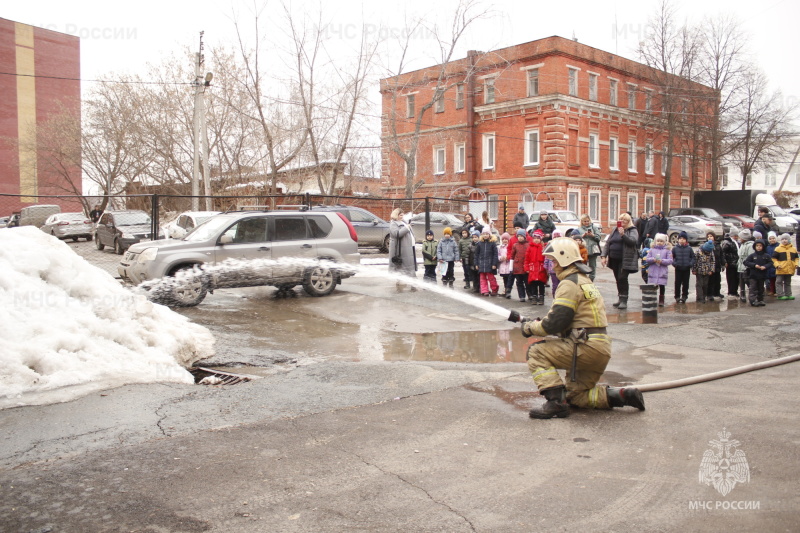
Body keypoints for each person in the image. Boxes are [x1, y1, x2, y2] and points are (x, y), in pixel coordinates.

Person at [519, 237, 645, 419]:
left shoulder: (569, 284)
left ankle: (555, 403)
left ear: (564, 259)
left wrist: (530, 328)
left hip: (584, 348)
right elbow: (569, 319)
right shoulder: (584, 281)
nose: (552, 266)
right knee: (576, 396)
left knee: (535, 352)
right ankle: (621, 396)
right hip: (599, 348)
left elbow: (555, 323)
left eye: (554, 261)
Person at [600, 212, 639, 310]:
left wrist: (623, 235)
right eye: (621, 219)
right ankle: (620, 298)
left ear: (629, 221)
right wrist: (603, 256)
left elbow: (633, 242)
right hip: (614, 258)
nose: (622, 222)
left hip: (625, 259)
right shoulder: (614, 230)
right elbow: (608, 243)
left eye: (625, 220)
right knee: (618, 279)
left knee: (622, 278)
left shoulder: (632, 230)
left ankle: (624, 300)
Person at [388, 208, 417, 286]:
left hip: (409, 246)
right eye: (400, 215)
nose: (402, 216)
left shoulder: (403, 222)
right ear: (396, 215)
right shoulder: (393, 223)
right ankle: (402, 281)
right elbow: (396, 234)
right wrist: (407, 228)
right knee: (403, 265)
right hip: (402, 249)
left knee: (409, 264)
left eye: (402, 215)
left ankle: (410, 281)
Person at [644, 233, 673, 306]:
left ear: (664, 242)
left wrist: (662, 261)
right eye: (658, 241)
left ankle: (661, 300)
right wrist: (653, 260)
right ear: (655, 241)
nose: (659, 242)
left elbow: (670, 260)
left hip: (662, 271)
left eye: (661, 241)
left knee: (662, 286)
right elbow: (647, 259)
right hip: (653, 271)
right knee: (652, 286)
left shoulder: (667, 250)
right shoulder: (652, 250)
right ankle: (652, 299)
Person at [743, 239, 771, 306]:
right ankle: (753, 300)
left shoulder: (766, 256)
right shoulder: (752, 255)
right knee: (753, 288)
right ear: (755, 247)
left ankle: (760, 300)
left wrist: (765, 266)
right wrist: (754, 265)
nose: (759, 247)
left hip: (762, 275)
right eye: (757, 246)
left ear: (763, 247)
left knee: (761, 288)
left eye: (760, 246)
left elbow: (770, 263)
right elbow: (746, 262)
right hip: (753, 275)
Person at [772, 233, 799, 300]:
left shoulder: (793, 249)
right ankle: (780, 294)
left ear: (789, 240)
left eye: (786, 239)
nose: (784, 240)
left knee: (788, 282)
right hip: (780, 269)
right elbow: (774, 258)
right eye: (783, 239)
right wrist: (777, 265)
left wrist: (796, 264)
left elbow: (796, 258)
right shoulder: (778, 249)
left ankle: (788, 294)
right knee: (779, 281)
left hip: (789, 269)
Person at [575, 214, 602, 281]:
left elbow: (598, 238)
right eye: (585, 221)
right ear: (582, 222)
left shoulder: (594, 227)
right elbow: (576, 239)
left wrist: (593, 235)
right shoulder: (579, 229)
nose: (587, 223)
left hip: (593, 250)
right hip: (583, 250)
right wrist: (582, 235)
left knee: (592, 266)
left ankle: (591, 280)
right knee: (582, 266)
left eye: (588, 221)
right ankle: (583, 280)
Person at [474, 226, 499, 296]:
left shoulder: (493, 243)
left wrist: (494, 264)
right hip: (481, 265)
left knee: (491, 279)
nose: (485, 235)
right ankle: (485, 291)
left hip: (490, 265)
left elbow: (495, 254)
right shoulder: (479, 244)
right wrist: (476, 264)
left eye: (487, 234)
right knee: (482, 279)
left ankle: (494, 289)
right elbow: (476, 255)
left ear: (489, 235)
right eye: (484, 234)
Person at [671, 231, 695, 304]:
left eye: (683, 238)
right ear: (678, 239)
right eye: (680, 238)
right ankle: (677, 296)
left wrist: (690, 264)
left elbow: (693, 257)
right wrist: (675, 264)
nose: (682, 240)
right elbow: (672, 258)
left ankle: (684, 296)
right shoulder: (675, 248)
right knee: (677, 283)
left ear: (686, 240)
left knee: (685, 283)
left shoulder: (689, 248)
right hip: (678, 268)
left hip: (686, 269)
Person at [525, 230, 548, 305]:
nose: (536, 239)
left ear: (541, 239)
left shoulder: (543, 247)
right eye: (535, 238)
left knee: (541, 284)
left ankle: (541, 297)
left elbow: (546, 258)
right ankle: (534, 297)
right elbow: (527, 258)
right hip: (533, 268)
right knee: (533, 284)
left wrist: (546, 267)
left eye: (538, 238)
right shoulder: (530, 247)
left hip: (541, 269)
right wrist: (526, 267)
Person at [721, 227, 741, 299]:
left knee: (736, 278)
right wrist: (725, 262)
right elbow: (723, 253)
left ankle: (735, 291)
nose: (736, 237)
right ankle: (731, 292)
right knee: (731, 278)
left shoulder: (737, 242)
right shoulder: (726, 243)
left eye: (737, 235)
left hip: (736, 263)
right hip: (730, 263)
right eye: (734, 235)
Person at [511, 229, 530, 302]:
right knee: (519, 282)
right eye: (518, 236)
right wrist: (511, 266)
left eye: (521, 236)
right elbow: (512, 256)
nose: (520, 238)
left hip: (525, 267)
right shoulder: (515, 245)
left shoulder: (528, 245)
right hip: (517, 267)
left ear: (525, 237)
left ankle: (530, 294)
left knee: (527, 282)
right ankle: (521, 296)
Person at [737, 229, 755, 303]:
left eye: (740, 238)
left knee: (747, 281)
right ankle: (742, 294)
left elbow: (750, 257)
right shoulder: (742, 245)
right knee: (741, 282)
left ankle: (752, 295)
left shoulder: (750, 245)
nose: (739, 239)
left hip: (746, 267)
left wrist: (747, 266)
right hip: (741, 267)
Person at [706, 232, 724, 300]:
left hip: (717, 265)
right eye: (708, 236)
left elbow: (721, 255)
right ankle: (709, 294)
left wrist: (723, 263)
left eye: (711, 236)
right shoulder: (706, 245)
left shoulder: (718, 245)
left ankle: (717, 292)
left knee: (717, 280)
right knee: (710, 281)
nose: (710, 237)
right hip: (710, 266)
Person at [497, 232, 513, 298]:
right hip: (503, 265)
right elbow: (498, 255)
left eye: (506, 239)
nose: (504, 240)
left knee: (509, 279)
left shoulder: (511, 247)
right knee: (504, 278)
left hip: (509, 265)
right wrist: (500, 258)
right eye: (503, 239)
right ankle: (505, 289)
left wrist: (508, 258)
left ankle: (508, 291)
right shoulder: (500, 247)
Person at [765, 232, 779, 296]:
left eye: (773, 238)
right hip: (770, 265)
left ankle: (777, 291)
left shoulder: (778, 246)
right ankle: (772, 290)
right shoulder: (768, 247)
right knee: (771, 279)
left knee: (778, 279)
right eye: (770, 239)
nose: (772, 240)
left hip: (777, 264)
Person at [468, 229, 482, 293]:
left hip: (478, 263)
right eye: (473, 237)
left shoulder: (480, 245)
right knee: (473, 276)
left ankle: (479, 287)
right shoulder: (470, 245)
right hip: (472, 262)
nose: (474, 239)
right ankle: (475, 287)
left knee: (478, 276)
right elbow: (469, 254)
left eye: (476, 237)